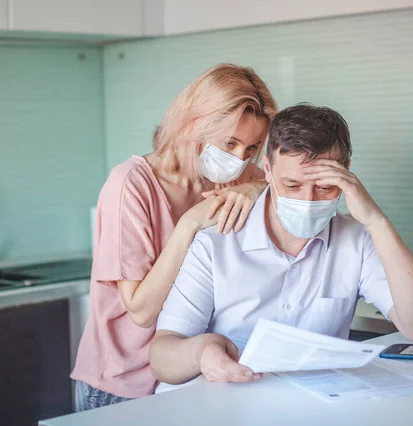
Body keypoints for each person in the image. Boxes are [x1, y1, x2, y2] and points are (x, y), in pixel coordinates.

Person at [148, 104, 413, 386]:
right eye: (292, 185)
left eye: (325, 186)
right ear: (267, 169)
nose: (307, 200)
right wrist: (200, 353)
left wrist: (376, 222)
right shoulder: (216, 241)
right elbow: (161, 356)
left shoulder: (357, 239)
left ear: (347, 173)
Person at [70, 64, 278, 410]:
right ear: (194, 124)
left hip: (191, 378)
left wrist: (257, 187)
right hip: (124, 385)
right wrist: (189, 225)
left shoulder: (235, 178)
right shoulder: (131, 185)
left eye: (252, 148)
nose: (240, 160)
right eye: (230, 143)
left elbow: (284, 187)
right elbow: (141, 310)